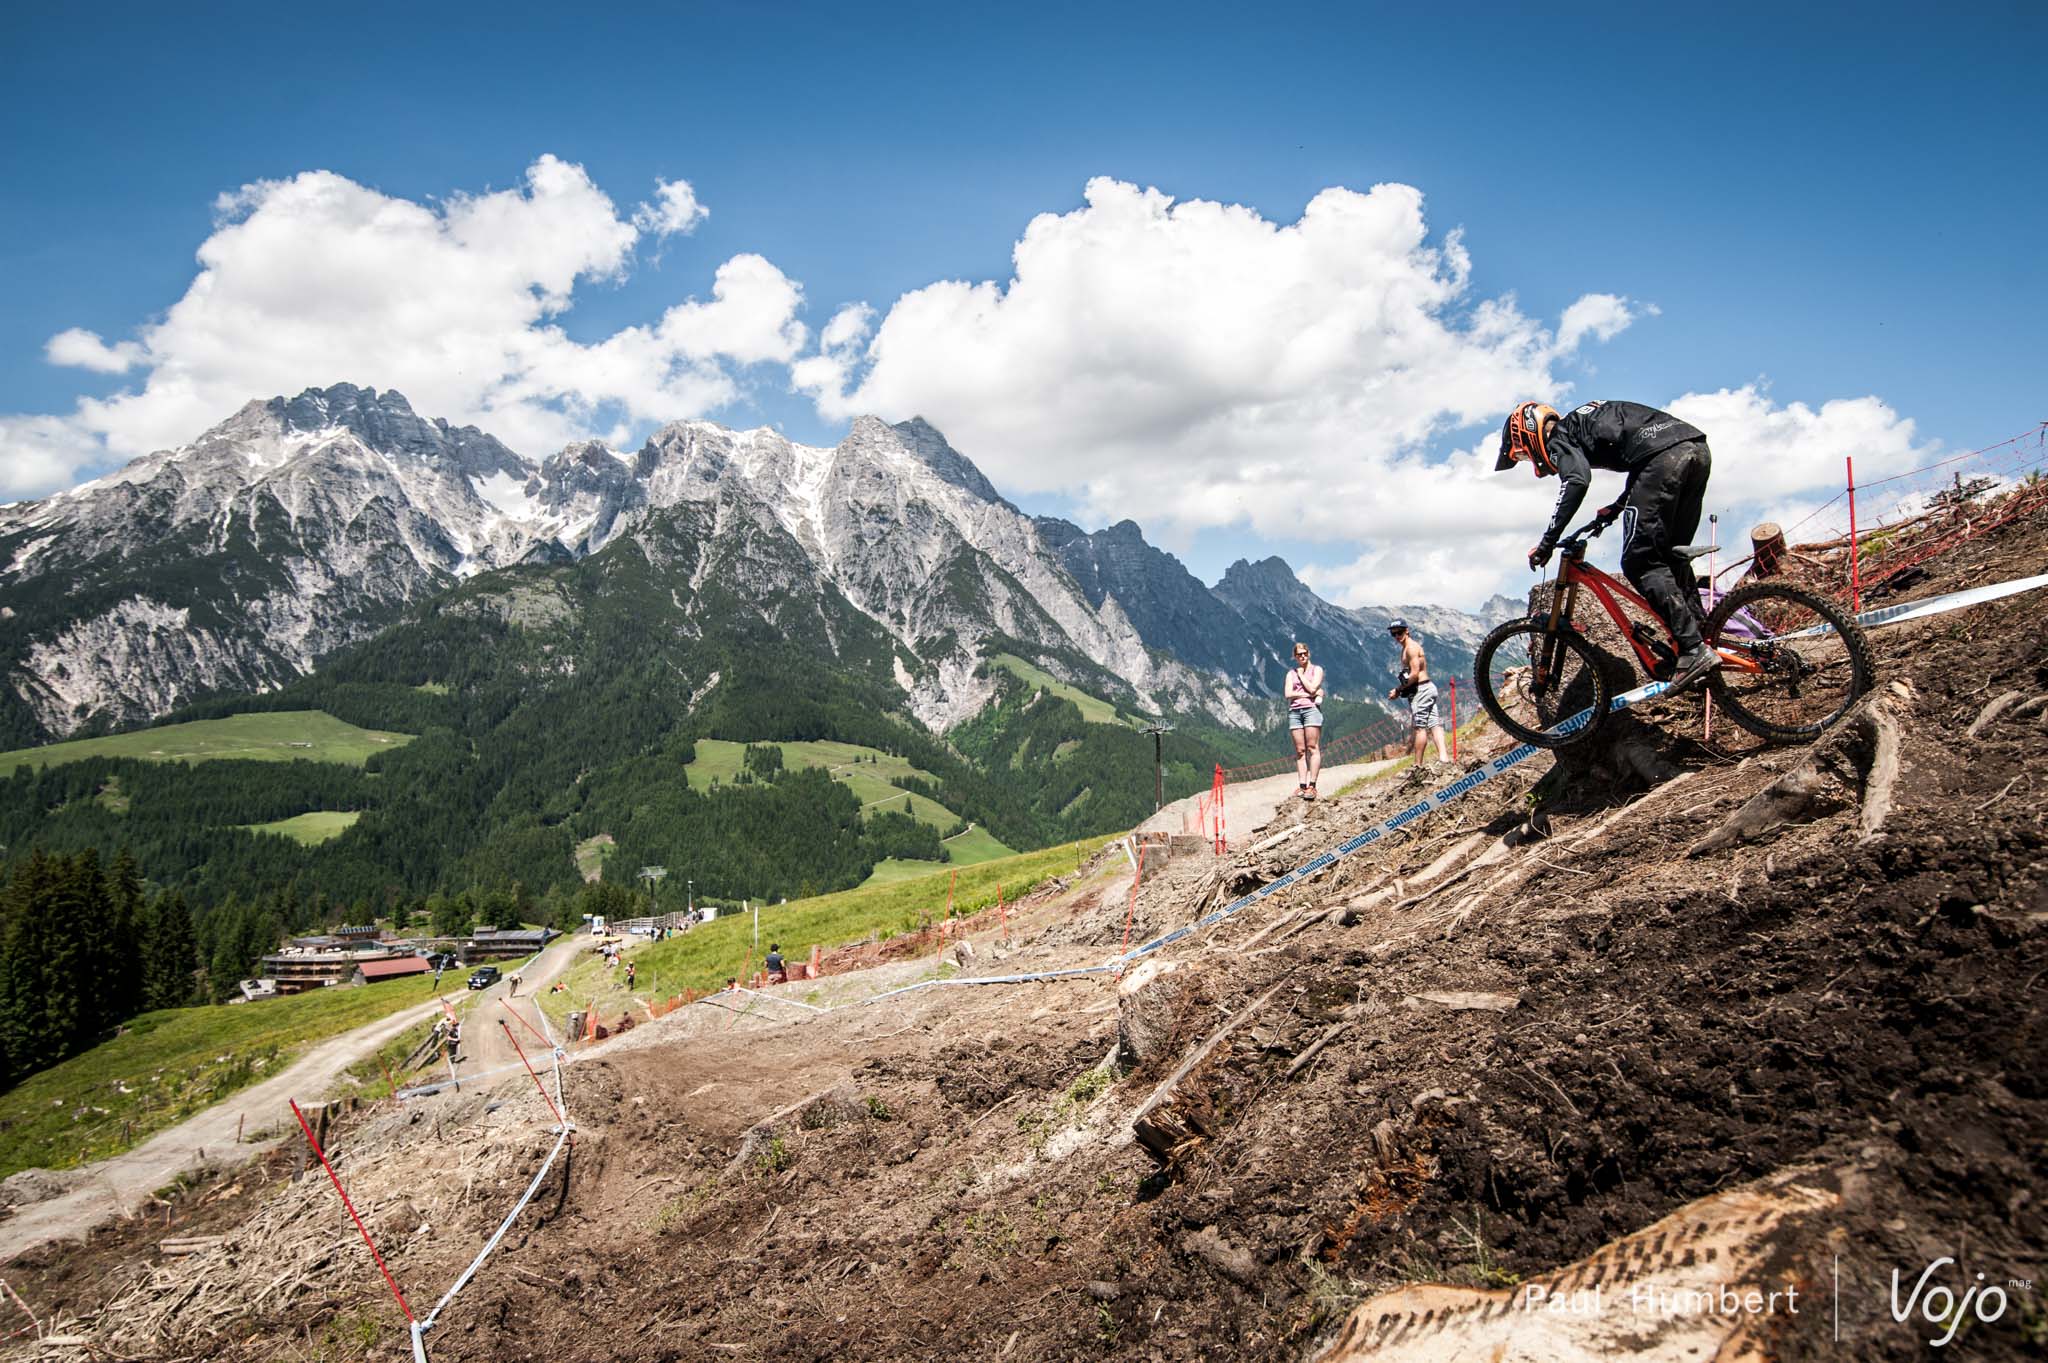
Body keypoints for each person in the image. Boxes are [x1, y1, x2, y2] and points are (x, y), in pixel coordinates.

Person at [1499, 399, 1720, 691]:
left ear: (1529, 435)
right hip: (1695, 448)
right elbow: (1644, 455)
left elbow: (1576, 480)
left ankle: (1693, 651)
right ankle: (1703, 636)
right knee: (1669, 557)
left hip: (1664, 459)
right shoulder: (1583, 423)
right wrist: (1616, 508)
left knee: (1640, 562)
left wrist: (1547, 542)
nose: (1533, 463)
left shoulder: (1560, 437)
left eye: (1525, 456)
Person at [1386, 620, 1450, 766]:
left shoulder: (1411, 648)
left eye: (1399, 632)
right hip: (1427, 688)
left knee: (1420, 728)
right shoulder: (1406, 648)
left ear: (1407, 630)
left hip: (1420, 689)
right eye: (1393, 633)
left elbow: (1414, 674)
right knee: (1435, 723)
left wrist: (1398, 690)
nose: (1397, 636)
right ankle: (1444, 758)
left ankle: (1417, 765)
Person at [1284, 642, 1326, 800]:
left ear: (1309, 654)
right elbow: (1288, 694)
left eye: (1304, 653)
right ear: (1295, 657)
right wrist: (1308, 695)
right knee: (1300, 751)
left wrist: (1301, 676)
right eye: (1298, 654)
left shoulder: (1317, 670)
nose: (1302, 656)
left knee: (1312, 747)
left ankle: (1312, 786)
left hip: (1311, 711)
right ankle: (1302, 785)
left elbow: (1313, 688)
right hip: (1295, 712)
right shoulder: (1290, 673)